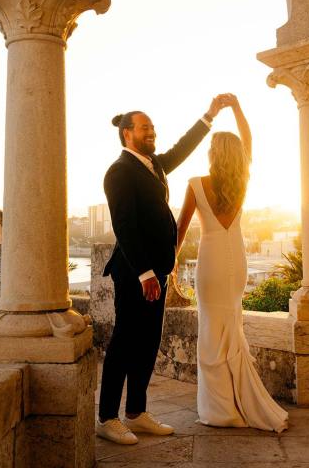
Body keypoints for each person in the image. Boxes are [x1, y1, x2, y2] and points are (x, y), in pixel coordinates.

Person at [97, 95, 231, 445]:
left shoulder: (153, 164)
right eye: (145, 128)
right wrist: (145, 273)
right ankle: (107, 417)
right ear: (128, 133)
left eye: (153, 127)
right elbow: (124, 225)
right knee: (124, 342)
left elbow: (182, 149)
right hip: (134, 274)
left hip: (157, 272)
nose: (152, 132)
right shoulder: (119, 171)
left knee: (148, 343)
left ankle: (136, 412)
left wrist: (209, 115)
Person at [176, 94, 288, 432]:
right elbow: (249, 140)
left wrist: (169, 269)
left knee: (211, 333)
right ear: (236, 155)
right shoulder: (242, 181)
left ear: (213, 155)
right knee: (232, 328)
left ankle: (220, 410)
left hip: (209, 263)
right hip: (236, 260)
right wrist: (237, 107)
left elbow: (178, 232)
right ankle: (238, 402)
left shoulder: (196, 184)